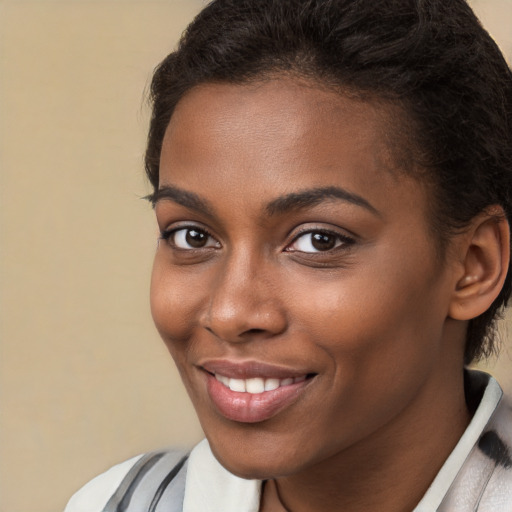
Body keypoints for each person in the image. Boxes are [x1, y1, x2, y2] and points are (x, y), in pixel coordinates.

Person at [64, 0, 512, 510]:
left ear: (474, 266)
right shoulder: (116, 503)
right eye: (191, 236)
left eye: (318, 240)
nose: (230, 312)